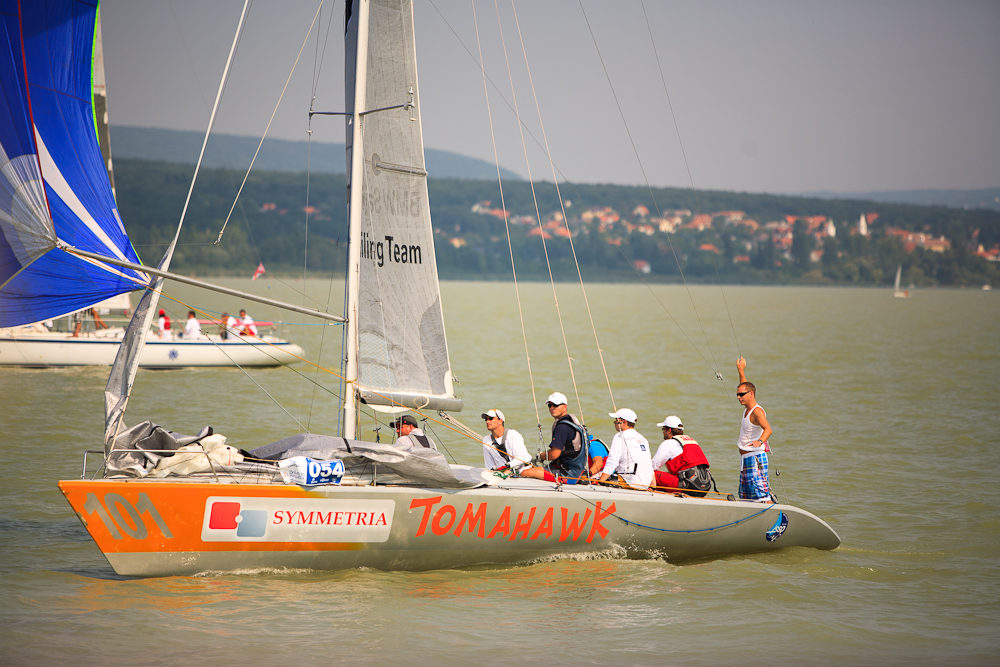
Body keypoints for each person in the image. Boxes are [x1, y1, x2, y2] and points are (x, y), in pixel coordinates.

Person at [518, 392, 587, 482]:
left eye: (556, 405)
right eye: (550, 405)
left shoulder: (562, 427)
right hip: (575, 470)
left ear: (565, 407)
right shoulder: (572, 422)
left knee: (524, 472)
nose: (552, 408)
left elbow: (554, 454)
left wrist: (541, 456)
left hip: (567, 474)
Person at [736, 356, 774, 502]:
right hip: (745, 459)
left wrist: (760, 441)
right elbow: (744, 386)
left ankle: (773, 513)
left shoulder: (757, 411)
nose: (739, 397)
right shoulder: (747, 408)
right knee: (746, 497)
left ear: (751, 394)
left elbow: (768, 429)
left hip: (755, 458)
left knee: (761, 495)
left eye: (741, 395)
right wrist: (741, 370)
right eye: (737, 395)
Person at [651, 416, 714, 497]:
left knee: (653, 475)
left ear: (669, 430)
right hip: (705, 487)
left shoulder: (669, 443)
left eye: (663, 429)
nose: (663, 432)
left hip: (688, 486)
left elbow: (652, 466)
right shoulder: (691, 441)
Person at [598, 408, 654, 489]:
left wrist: (600, 482)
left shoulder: (619, 436)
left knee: (595, 477)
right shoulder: (643, 438)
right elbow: (649, 463)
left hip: (629, 482)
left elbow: (612, 461)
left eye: (616, 420)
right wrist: (653, 486)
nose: (614, 423)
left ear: (624, 422)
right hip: (645, 484)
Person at [481, 409, 530, 473]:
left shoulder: (512, 434)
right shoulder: (486, 440)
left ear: (500, 421)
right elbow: (489, 466)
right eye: (486, 419)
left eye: (490, 419)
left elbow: (521, 458)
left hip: (524, 469)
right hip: (504, 473)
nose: (487, 422)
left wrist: (507, 467)